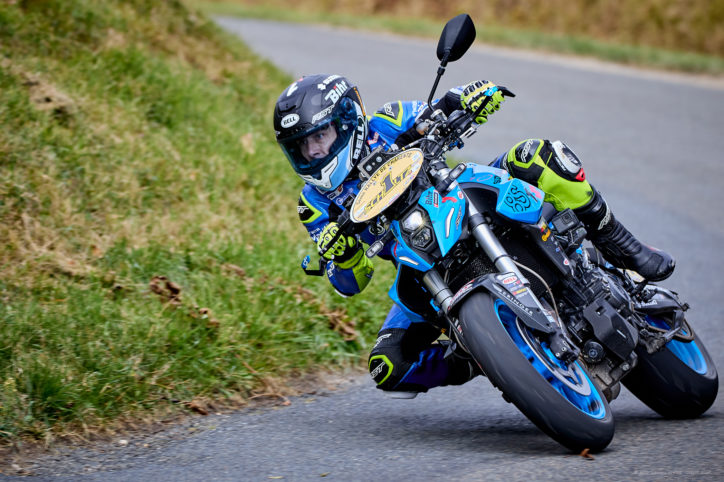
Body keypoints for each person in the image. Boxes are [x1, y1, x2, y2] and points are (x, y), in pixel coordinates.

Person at [273, 74, 675, 397]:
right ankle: (486, 355)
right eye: (300, 147)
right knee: (388, 364)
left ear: (346, 122)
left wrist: (468, 97)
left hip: (457, 198)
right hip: (418, 263)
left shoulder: (386, 120)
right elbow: (352, 281)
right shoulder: (313, 204)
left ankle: (620, 243)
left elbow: (437, 110)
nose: (311, 153)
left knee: (538, 155)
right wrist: (343, 257)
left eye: (318, 138)